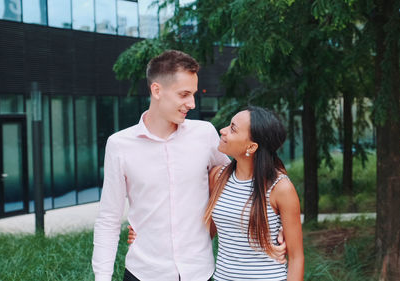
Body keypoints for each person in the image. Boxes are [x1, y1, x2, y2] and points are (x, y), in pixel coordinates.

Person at [92, 50, 285, 281]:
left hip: (199, 272)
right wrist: (102, 277)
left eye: (193, 94)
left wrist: (281, 224)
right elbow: (108, 219)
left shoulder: (204, 134)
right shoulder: (119, 145)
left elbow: (242, 179)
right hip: (144, 272)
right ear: (157, 90)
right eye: (184, 94)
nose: (192, 103)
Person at [129, 106, 304, 280]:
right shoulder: (217, 177)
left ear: (251, 147)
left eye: (233, 129)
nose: (223, 130)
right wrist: (148, 232)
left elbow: (296, 258)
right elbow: (201, 234)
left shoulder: (280, 188)